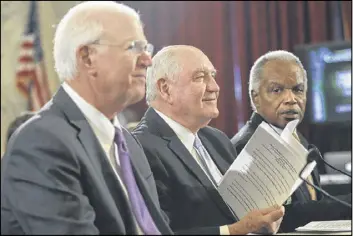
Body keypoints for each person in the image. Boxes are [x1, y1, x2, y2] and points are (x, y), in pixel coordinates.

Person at [1, 1, 172, 234]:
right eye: (134, 47)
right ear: (87, 57)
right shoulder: (42, 143)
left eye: (147, 48)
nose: (147, 60)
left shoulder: (128, 143)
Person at [132, 45, 285, 235]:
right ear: (165, 89)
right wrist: (236, 230)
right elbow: (157, 232)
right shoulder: (141, 148)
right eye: (200, 77)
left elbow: (241, 212)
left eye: (212, 75)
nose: (215, 87)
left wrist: (264, 220)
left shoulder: (217, 140)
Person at [231, 50, 352, 232]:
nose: (291, 99)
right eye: (276, 90)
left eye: (298, 90)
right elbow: (278, 217)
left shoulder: (296, 137)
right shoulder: (248, 146)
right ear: (255, 96)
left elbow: (312, 203)